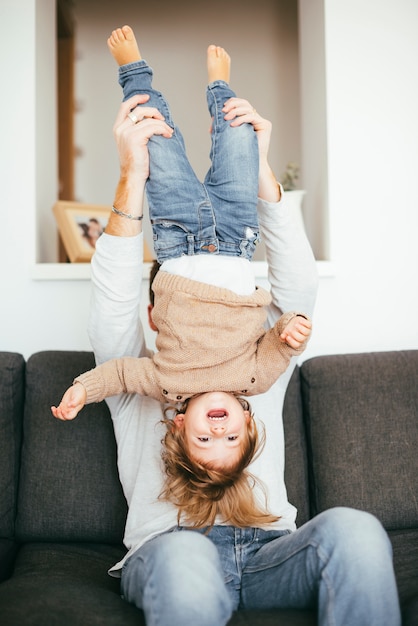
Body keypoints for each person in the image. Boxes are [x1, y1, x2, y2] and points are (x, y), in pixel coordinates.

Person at [53, 26, 401, 626]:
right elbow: (113, 300)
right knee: (187, 555)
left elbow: (296, 297)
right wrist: (131, 176)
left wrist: (262, 172)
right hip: (171, 550)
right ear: (155, 314)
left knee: (356, 530)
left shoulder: (254, 370)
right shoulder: (147, 385)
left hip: (273, 552)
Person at [51, 27, 312, 476]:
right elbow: (284, 329)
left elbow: (118, 374)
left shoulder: (163, 384)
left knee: (155, 138)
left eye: (204, 440)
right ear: (250, 420)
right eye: (231, 439)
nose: (218, 432)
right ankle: (219, 83)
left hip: (175, 239)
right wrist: (294, 328)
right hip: (237, 239)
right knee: (238, 136)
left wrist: (81, 388)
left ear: (177, 425)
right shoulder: (257, 381)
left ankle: (133, 68)